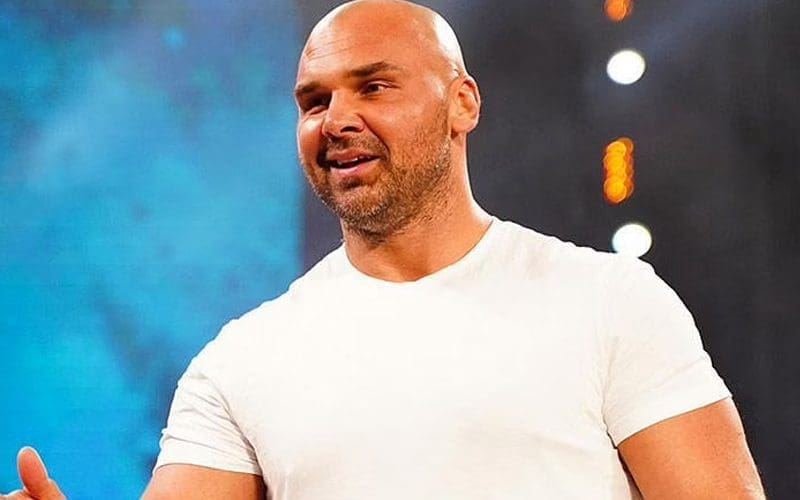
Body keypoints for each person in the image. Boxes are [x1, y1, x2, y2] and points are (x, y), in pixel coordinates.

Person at [2, 1, 765, 498]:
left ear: (462, 102)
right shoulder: (239, 362)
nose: (336, 119)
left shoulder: (611, 303)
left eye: (373, 87)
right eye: (314, 100)